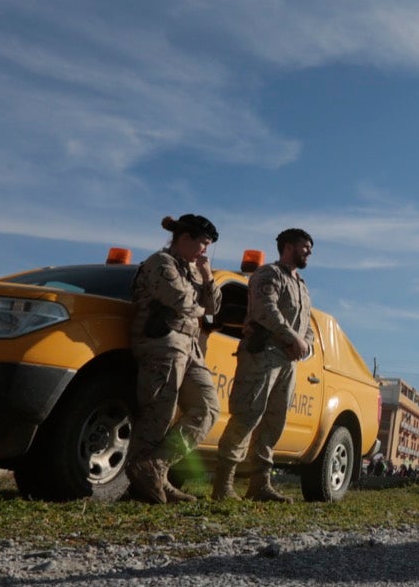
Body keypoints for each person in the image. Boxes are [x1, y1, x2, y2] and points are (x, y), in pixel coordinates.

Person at [213, 228, 315, 503]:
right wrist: (292, 337)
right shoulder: (269, 274)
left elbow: (308, 327)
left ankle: (260, 484)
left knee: (273, 422)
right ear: (289, 247)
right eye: (305, 247)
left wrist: (304, 344)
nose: (309, 252)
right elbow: (265, 310)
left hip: (287, 362)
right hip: (261, 355)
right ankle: (223, 484)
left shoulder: (302, 286)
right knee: (247, 416)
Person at [126, 214, 223, 503]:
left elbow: (214, 307)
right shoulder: (160, 263)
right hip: (163, 341)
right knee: (160, 411)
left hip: (190, 346)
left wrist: (207, 277)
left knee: (207, 408)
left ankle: (156, 467)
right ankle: (139, 480)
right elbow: (181, 301)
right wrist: (200, 306)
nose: (205, 250)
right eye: (202, 243)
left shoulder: (195, 269)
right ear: (184, 238)